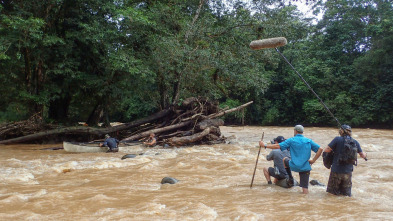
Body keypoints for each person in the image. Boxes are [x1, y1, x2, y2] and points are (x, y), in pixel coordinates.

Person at [259, 125, 323, 194]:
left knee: (285, 159)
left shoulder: (291, 140)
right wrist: (313, 160)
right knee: (305, 189)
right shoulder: (309, 141)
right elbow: (320, 149)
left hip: (293, 165)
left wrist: (264, 145)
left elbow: (278, 146)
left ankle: (290, 177)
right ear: (302, 132)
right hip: (305, 167)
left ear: (295, 131)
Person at [323, 125, 367, 197]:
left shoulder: (337, 139)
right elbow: (362, 154)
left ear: (341, 131)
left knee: (332, 194)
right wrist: (365, 155)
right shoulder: (355, 142)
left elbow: (327, 150)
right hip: (348, 172)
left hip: (336, 170)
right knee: (346, 195)